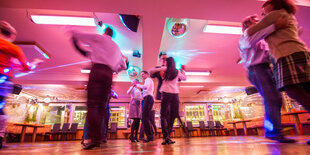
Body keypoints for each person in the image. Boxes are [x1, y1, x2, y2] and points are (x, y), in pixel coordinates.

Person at [246, 0, 310, 145]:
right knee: (302, 92)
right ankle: (274, 131)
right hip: (297, 54)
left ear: (273, 4)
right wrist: (273, 27)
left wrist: (255, 24)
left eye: (264, 8)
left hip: (288, 55)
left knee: (294, 92)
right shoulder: (285, 15)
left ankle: (273, 132)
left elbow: (249, 33)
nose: (262, 13)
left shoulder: (275, 14)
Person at [239, 14, 295, 143]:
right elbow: (249, 40)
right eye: (256, 22)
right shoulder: (245, 37)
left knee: (276, 98)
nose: (260, 23)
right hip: (256, 69)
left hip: (265, 69)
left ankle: (272, 129)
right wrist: (274, 26)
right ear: (247, 26)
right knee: (272, 98)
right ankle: (273, 132)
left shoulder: (262, 40)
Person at [69, 27, 128, 150]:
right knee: (102, 107)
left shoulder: (100, 38)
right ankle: (99, 137)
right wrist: (114, 69)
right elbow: (123, 65)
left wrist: (73, 33)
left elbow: (82, 36)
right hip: (108, 75)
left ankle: (94, 138)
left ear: (105, 32)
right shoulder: (117, 48)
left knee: (92, 105)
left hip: (97, 71)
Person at [0, 20, 43, 149]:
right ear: (11, 36)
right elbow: (25, 67)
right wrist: (35, 62)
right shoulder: (13, 48)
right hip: (3, 79)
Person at [149, 57, 186, 145]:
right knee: (173, 115)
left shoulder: (165, 68)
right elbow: (184, 78)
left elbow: (150, 71)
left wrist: (159, 69)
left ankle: (166, 137)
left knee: (163, 116)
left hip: (165, 93)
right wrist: (183, 70)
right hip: (175, 94)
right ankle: (168, 136)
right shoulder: (177, 71)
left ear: (167, 63)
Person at [136, 71, 154, 142]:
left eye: (143, 74)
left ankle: (149, 136)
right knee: (145, 118)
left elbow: (146, 87)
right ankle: (150, 136)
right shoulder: (147, 80)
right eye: (141, 75)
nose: (142, 76)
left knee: (144, 117)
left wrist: (138, 85)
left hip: (148, 98)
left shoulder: (148, 80)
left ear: (147, 74)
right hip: (147, 98)